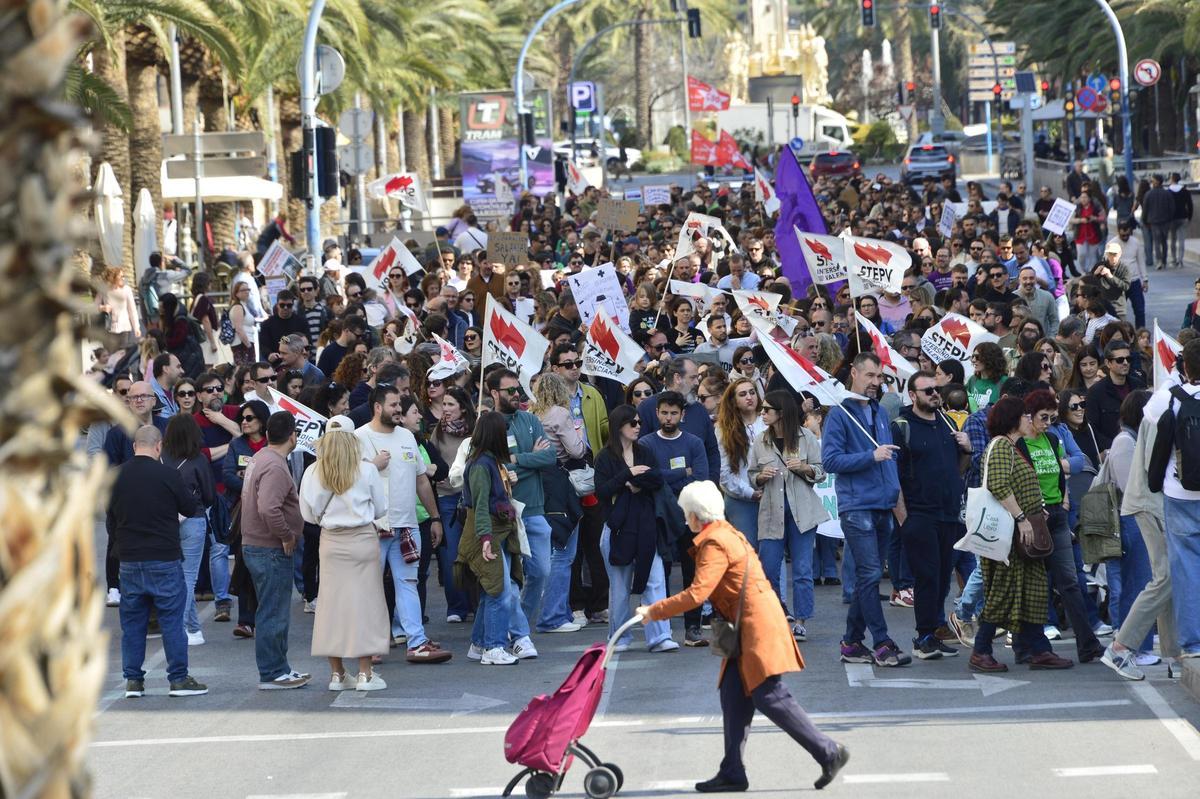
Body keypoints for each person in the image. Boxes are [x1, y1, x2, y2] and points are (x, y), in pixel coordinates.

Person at [635, 481, 849, 793]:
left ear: (696, 515)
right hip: (745, 622)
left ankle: (829, 751)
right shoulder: (724, 533)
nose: (684, 519)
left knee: (769, 694)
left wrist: (653, 611)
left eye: (686, 513)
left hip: (752, 624)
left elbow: (698, 594)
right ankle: (733, 769)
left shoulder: (714, 542)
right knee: (733, 696)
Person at [968, 396, 1073, 672]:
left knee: (1033, 590)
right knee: (1003, 592)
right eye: (1026, 416)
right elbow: (998, 484)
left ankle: (1037, 649)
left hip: (1023, 534)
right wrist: (1022, 518)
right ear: (1014, 420)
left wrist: (1035, 510)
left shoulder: (1014, 447)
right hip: (1011, 536)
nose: (1031, 420)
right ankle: (981, 650)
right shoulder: (1002, 445)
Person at [822, 352, 910, 667]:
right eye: (869, 375)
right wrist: (870, 457)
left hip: (882, 504)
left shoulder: (880, 412)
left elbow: (891, 462)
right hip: (857, 505)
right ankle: (883, 642)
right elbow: (830, 460)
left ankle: (851, 642)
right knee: (871, 573)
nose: (875, 382)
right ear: (854, 374)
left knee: (867, 578)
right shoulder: (839, 414)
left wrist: (898, 503)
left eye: (878, 376)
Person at [108, 425, 208, 698]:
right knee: (172, 622)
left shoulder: (116, 477)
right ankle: (178, 679)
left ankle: (133, 681)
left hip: (129, 559)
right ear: (159, 446)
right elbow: (189, 508)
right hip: (163, 557)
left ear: (134, 447)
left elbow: (111, 520)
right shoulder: (169, 474)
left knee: (132, 623)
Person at [356, 384, 453, 664]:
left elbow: (421, 480)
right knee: (371, 586)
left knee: (408, 582)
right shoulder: (358, 438)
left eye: (400, 405)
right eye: (393, 405)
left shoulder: (409, 438)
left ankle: (417, 642)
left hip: (407, 526)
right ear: (377, 407)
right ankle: (370, 644)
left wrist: (435, 518)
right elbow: (347, 482)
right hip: (372, 527)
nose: (399, 410)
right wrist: (372, 466)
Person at [299, 416, 391, 692]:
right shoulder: (366, 471)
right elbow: (380, 509)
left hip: (331, 541)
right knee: (366, 604)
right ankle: (365, 672)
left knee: (330, 605)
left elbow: (308, 514)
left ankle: (337, 674)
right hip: (362, 538)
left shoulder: (314, 472)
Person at [1022, 389, 1105, 663]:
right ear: (1029, 417)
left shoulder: (1054, 438)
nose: (1047, 423)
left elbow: (1063, 472)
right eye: (1043, 418)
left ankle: (1088, 645)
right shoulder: (1021, 444)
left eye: (1052, 418)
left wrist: (1065, 500)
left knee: (1069, 581)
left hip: (1057, 515)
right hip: (1035, 517)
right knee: (1034, 583)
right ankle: (1032, 646)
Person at [892, 370, 970, 660]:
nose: (935, 394)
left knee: (941, 577)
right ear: (912, 396)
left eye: (936, 390)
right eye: (928, 391)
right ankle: (923, 637)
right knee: (927, 577)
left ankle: (934, 632)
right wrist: (904, 519)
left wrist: (967, 450)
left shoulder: (947, 422)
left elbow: (956, 470)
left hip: (948, 514)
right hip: (919, 514)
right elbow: (894, 478)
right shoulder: (901, 427)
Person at [593, 405, 678, 653]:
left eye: (640, 422)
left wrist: (635, 482)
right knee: (619, 587)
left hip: (646, 526)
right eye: (633, 423)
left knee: (655, 582)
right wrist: (627, 475)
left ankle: (660, 636)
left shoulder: (645, 451)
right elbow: (602, 490)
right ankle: (619, 637)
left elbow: (656, 479)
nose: (638, 426)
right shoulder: (605, 457)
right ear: (619, 426)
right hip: (617, 528)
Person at [749, 390, 827, 642]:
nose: (762, 414)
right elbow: (752, 474)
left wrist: (804, 468)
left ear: (780, 413)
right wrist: (761, 477)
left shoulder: (805, 438)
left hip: (802, 511)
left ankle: (801, 620)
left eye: (767, 410)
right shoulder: (761, 440)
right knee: (768, 567)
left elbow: (821, 471)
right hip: (771, 511)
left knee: (803, 570)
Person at [240, 411, 311, 690]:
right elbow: (269, 507)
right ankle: (273, 672)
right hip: (269, 548)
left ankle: (278, 667)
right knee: (274, 611)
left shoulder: (260, 458)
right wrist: (286, 535)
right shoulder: (276, 467)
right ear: (293, 436)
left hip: (258, 545)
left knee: (271, 609)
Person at [640, 390, 711, 647]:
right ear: (657, 414)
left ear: (682, 415)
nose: (668, 418)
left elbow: (701, 477)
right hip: (660, 516)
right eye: (664, 413)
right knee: (662, 572)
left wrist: (665, 477)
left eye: (673, 413)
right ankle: (665, 628)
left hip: (691, 516)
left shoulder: (693, 442)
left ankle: (693, 628)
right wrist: (682, 472)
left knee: (693, 573)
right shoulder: (646, 443)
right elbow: (650, 478)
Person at [456, 411, 525, 665]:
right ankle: (493, 648)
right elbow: (481, 505)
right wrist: (485, 538)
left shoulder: (488, 462)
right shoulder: (482, 465)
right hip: (488, 535)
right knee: (499, 591)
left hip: (493, 533)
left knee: (490, 590)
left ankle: (479, 643)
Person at [1145, 339, 1200, 659]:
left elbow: (1147, 414)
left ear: (1185, 367)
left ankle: (1193, 641)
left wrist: (1172, 379)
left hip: (1179, 494)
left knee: (1186, 567)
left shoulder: (1169, 398)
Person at [159, 414, 216, 647]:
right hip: (193, 519)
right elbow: (210, 494)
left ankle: (194, 628)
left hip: (165, 521)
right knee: (188, 578)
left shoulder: (161, 458)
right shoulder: (198, 460)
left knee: (177, 577)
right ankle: (180, 630)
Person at [431, 386, 476, 624]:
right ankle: (456, 606)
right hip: (447, 498)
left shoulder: (477, 430)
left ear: (462, 407)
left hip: (473, 497)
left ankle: (475, 603)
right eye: (444, 404)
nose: (446, 409)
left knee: (475, 553)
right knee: (450, 555)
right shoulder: (438, 432)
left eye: (450, 404)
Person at [716, 378, 765, 547]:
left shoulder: (768, 422)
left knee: (773, 552)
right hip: (740, 499)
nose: (749, 397)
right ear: (734, 401)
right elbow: (724, 472)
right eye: (743, 394)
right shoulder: (724, 429)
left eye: (752, 392)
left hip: (770, 496)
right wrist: (749, 492)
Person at [1086, 339, 1145, 454]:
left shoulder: (1139, 386)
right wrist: (1116, 447)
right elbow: (1092, 429)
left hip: (1140, 449)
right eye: (1119, 360)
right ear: (1108, 363)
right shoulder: (1096, 392)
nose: (1125, 363)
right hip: (1112, 451)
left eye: (1128, 359)